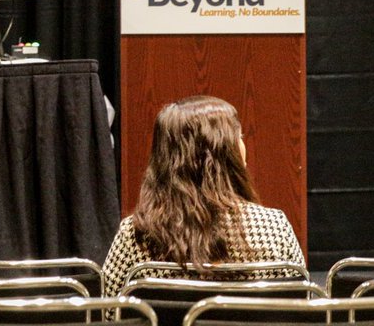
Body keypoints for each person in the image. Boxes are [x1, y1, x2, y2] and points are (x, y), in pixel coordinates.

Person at [101, 96, 304, 296]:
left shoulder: (135, 235)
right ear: (227, 153)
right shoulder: (274, 227)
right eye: (239, 137)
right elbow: (302, 306)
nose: (243, 144)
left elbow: (109, 312)